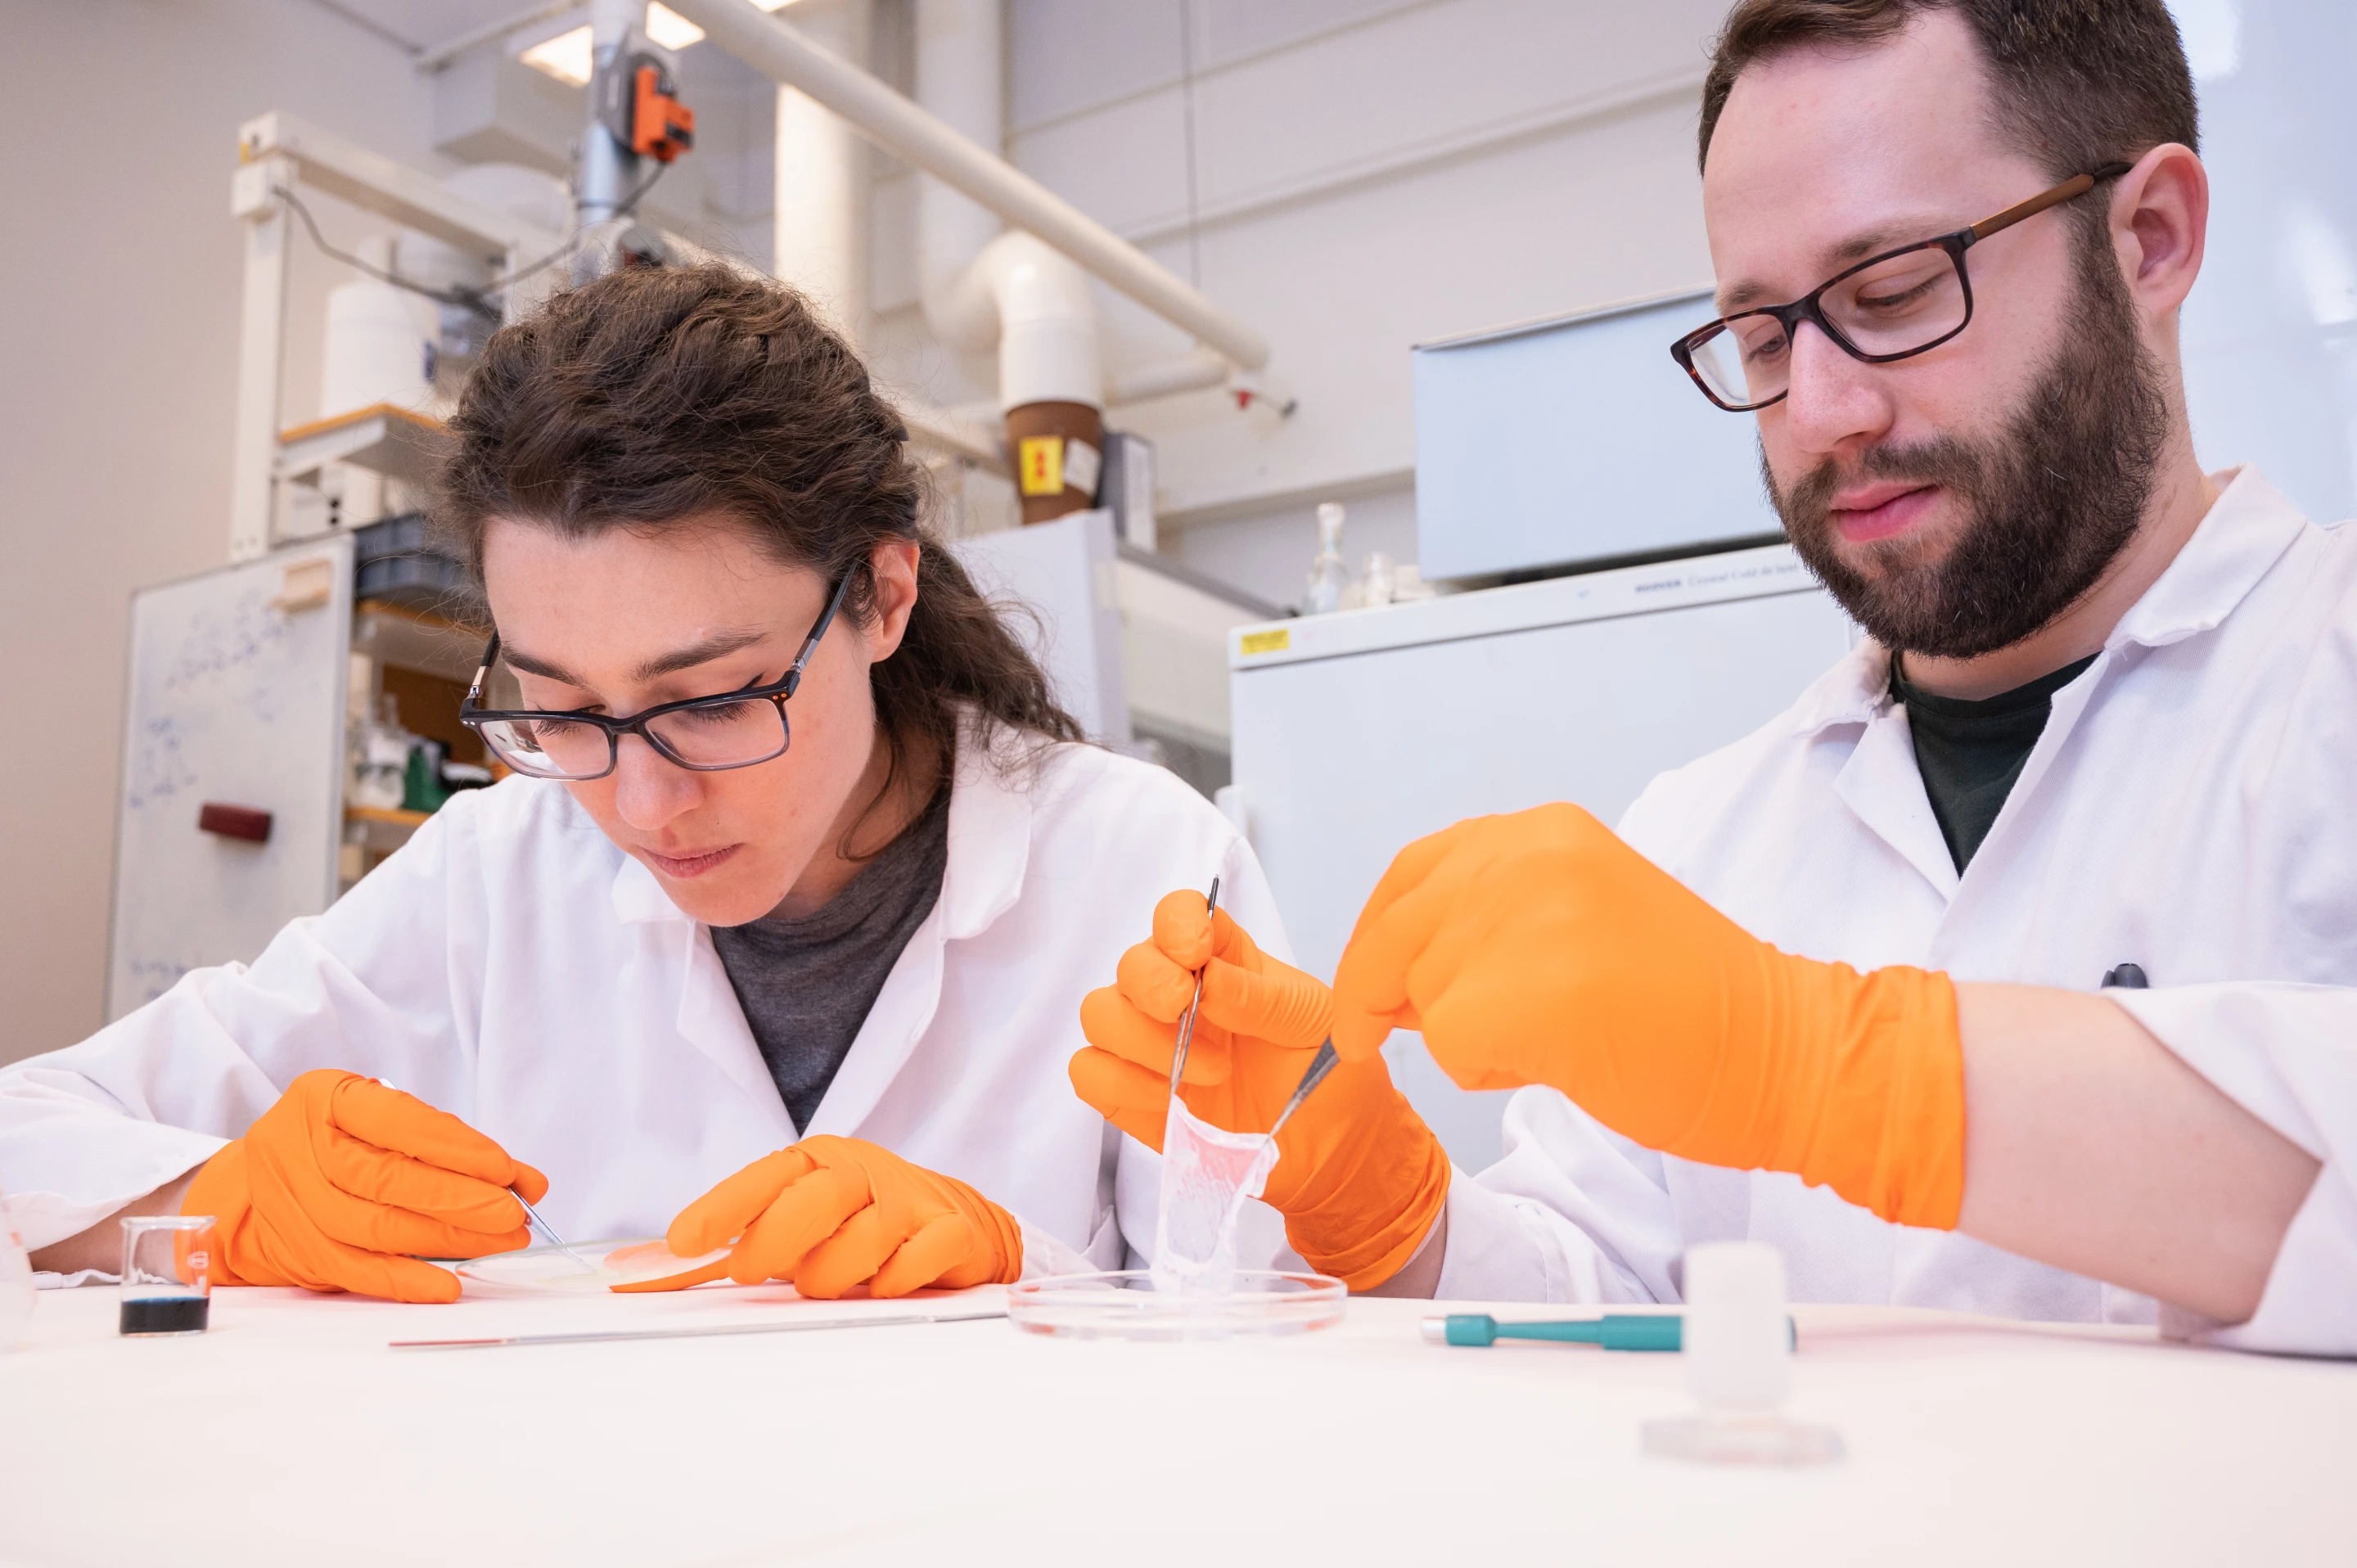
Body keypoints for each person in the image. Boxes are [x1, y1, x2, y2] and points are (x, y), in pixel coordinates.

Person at [1075, 0, 2357, 1354]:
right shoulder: (1703, 832)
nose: (1821, 414)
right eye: (1761, 337)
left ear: (2149, 236)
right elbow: (1602, 1300)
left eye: (1899, 291)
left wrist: (1840, 1074)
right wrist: (1389, 1211)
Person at [0, 263, 1315, 1302]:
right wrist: (208, 1213)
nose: (640, 808)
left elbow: (1290, 1330)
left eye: (716, 699)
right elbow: (28, 1129)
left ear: (883, 595)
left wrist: (1021, 1278)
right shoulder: (498, 873)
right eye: (562, 710)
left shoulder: (1139, 869)